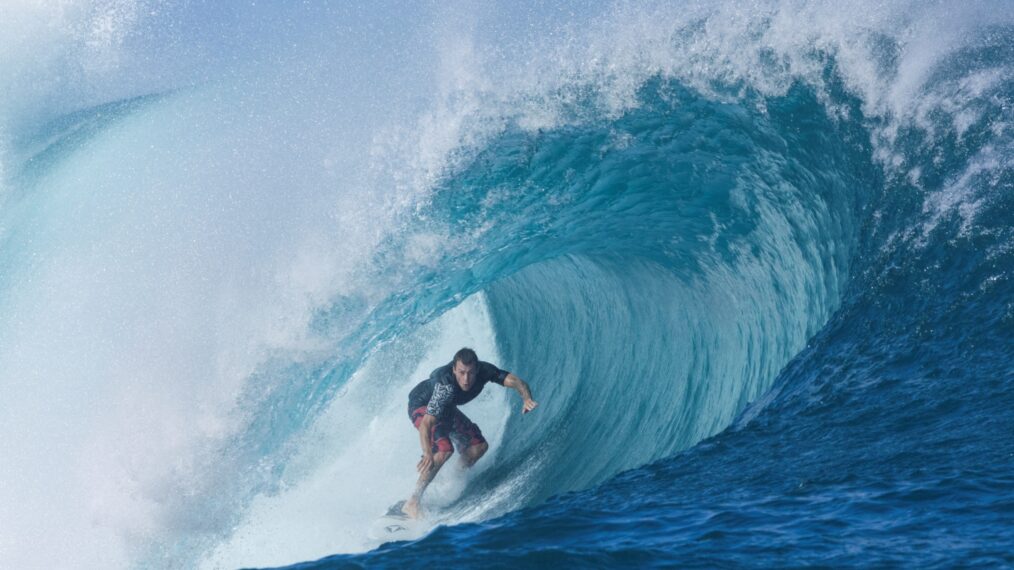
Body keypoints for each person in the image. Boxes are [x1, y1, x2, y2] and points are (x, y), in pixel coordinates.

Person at [401, 347, 538, 518]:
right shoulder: (445, 386)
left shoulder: (485, 371)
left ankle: (450, 480)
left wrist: (526, 398)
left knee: (478, 446)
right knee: (444, 449)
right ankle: (412, 502)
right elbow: (426, 425)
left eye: (471, 373)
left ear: (477, 369)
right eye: (462, 372)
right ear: (454, 369)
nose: (466, 379)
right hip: (421, 405)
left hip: (446, 408)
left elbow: (516, 381)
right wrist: (427, 452)